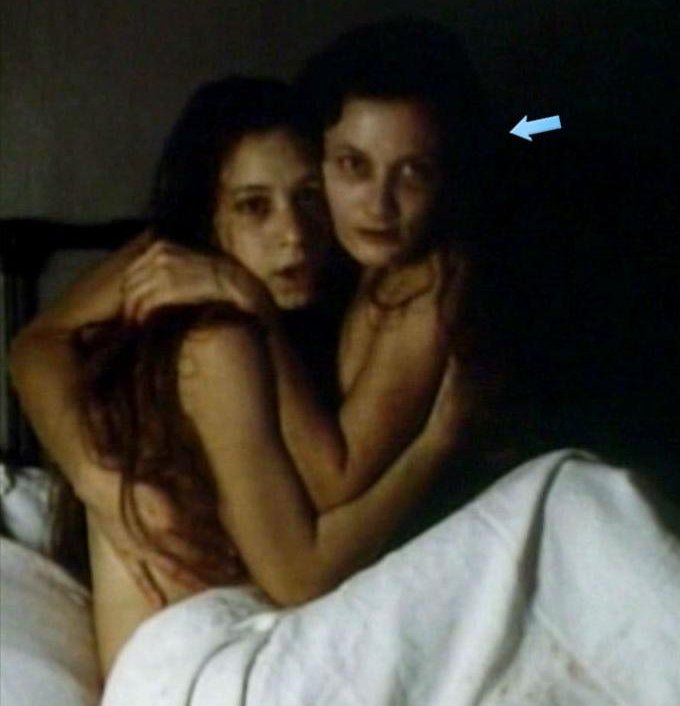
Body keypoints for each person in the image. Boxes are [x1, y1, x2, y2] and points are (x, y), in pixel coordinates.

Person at [11, 18, 492, 676]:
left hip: (204, 642)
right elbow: (33, 347)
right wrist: (100, 482)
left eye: (309, 197)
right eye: (253, 207)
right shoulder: (210, 324)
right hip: (198, 660)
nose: (293, 234)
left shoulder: (344, 296)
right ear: (208, 222)